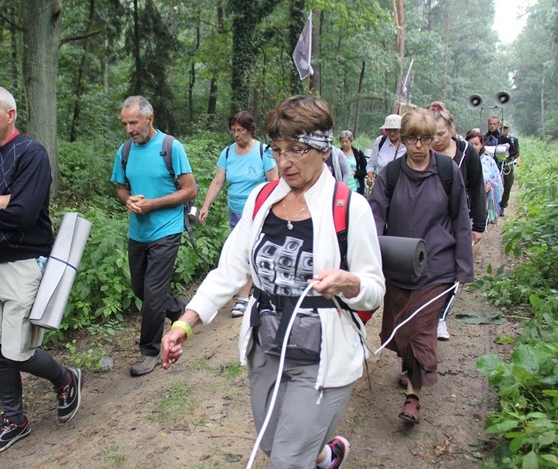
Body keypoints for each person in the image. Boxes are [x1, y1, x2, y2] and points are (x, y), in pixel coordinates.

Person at [162, 96, 385, 468]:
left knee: (285, 459)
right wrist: (186, 322)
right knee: (271, 439)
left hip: (321, 354)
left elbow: (374, 289)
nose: (284, 162)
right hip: (267, 346)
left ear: (324, 150)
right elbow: (229, 270)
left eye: (297, 150)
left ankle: (308, 452)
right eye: (278, 150)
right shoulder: (262, 198)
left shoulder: (349, 207)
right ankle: (326, 454)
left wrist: (348, 282)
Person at [0, 86, 82, 456]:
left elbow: (24, 215)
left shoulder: (31, 154)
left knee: (18, 350)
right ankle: (15, 419)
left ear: (10, 114)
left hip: (26, 263)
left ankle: (66, 378)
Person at [368, 108, 474, 425]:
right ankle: (410, 364)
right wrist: (368, 255)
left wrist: (462, 267)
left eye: (424, 138)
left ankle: (413, 397)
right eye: (412, 137)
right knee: (397, 330)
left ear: (432, 140)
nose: (417, 145)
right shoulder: (391, 174)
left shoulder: (447, 171)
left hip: (435, 266)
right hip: (398, 264)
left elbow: (460, 218)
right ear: (403, 136)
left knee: (421, 331)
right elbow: (374, 217)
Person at [110, 95, 197, 376]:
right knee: (140, 289)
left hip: (167, 230)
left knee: (153, 292)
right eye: (125, 124)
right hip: (139, 232)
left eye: (133, 123)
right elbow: (121, 187)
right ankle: (177, 309)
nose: (129, 129)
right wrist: (128, 200)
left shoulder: (171, 147)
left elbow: (190, 190)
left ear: (150, 118)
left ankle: (149, 352)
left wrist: (152, 204)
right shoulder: (124, 151)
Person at [198, 111, 278, 318]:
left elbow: (274, 183)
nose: (236, 134)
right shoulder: (227, 153)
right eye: (233, 130)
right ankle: (250, 288)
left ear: (249, 130)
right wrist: (206, 205)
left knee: (249, 251)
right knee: (242, 251)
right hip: (235, 212)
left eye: (240, 130)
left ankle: (243, 298)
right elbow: (218, 181)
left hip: (259, 212)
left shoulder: (263, 151)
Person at [428, 102, 485, 340]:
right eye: (433, 135)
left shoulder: (466, 154)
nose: (436, 139)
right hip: (429, 220)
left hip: (458, 219)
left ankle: (441, 316)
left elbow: (476, 187)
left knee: (453, 269)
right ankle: (426, 312)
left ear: (451, 129)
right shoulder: (424, 151)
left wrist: (478, 225)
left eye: (440, 134)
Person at [465, 129, 503, 245]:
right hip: (465, 201)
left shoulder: (488, 161)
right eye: (471, 144)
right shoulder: (461, 160)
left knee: (475, 233)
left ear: (481, 145)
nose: (474, 147)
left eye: (476, 144)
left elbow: (497, 180)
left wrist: (490, 186)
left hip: (482, 201)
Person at [366, 114, 406, 190]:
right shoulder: (380, 141)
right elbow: (372, 163)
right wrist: (370, 177)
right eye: (389, 130)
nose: (391, 133)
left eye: (395, 130)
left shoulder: (406, 144)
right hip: (381, 185)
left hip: (400, 187)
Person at [339, 130, 368, 194]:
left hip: (357, 187)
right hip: (342, 186)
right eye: (342, 141)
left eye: (346, 141)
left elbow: (366, 170)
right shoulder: (338, 154)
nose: (344, 144)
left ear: (351, 141)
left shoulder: (358, 154)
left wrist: (355, 173)